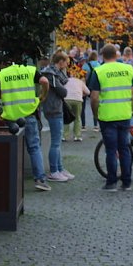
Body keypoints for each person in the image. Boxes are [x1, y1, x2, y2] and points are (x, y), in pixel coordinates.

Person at [0, 61, 51, 191]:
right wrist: (42, 96)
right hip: (29, 114)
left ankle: (8, 179)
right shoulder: (30, 70)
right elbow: (45, 81)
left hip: (11, 117)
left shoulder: (1, 74)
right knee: (34, 147)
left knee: (12, 148)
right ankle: (40, 179)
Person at [89, 44, 133, 192]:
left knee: (111, 150)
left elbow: (94, 97)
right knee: (124, 148)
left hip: (107, 116)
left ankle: (111, 183)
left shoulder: (98, 71)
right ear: (116, 55)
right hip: (124, 114)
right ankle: (127, 182)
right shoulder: (127, 69)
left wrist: (95, 114)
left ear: (102, 56)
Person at [40, 52, 75, 182]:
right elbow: (63, 91)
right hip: (54, 108)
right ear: (60, 61)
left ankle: (59, 168)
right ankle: (54, 170)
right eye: (66, 62)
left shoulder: (54, 73)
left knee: (58, 141)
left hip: (55, 107)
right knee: (55, 141)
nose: (67, 64)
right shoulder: (51, 74)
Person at [63, 70, 89, 142]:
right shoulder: (80, 82)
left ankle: (65, 136)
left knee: (66, 117)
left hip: (67, 99)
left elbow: (62, 89)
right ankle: (77, 136)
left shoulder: (66, 80)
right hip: (78, 99)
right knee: (77, 117)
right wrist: (82, 94)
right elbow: (88, 92)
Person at [82, 50, 101, 132]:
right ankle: (96, 125)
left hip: (86, 86)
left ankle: (83, 125)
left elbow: (83, 77)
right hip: (96, 87)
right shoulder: (99, 65)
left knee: (83, 106)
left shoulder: (85, 66)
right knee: (96, 105)